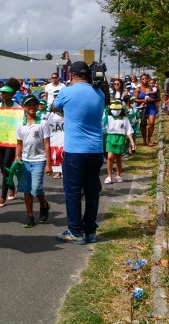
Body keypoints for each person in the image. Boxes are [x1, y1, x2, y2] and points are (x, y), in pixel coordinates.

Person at [52, 61, 105, 245]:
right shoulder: (100, 93)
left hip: (75, 150)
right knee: (92, 191)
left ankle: (75, 231)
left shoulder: (66, 91)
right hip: (96, 149)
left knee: (73, 192)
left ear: (71, 75)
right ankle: (90, 231)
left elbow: (54, 106)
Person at [14, 95, 52, 228]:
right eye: (28, 104)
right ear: (24, 107)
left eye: (34, 104)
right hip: (25, 161)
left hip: (39, 160)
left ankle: (44, 205)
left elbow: (47, 144)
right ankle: (29, 215)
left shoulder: (43, 123)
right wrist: (17, 156)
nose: (31, 107)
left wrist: (48, 163)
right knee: (26, 189)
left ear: (37, 107)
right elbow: (19, 143)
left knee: (36, 188)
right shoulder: (20, 125)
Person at [0, 77, 22, 208]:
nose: (2, 95)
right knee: (2, 168)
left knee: (5, 165)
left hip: (12, 142)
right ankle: (12, 187)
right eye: (2, 92)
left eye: (5, 93)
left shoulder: (18, 108)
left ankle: (3, 196)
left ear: (12, 94)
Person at [104, 102, 135, 184]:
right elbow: (102, 125)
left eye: (117, 109)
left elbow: (129, 131)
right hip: (110, 137)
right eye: (114, 109)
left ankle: (118, 175)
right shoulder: (108, 117)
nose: (115, 111)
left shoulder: (124, 119)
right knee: (110, 157)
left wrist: (132, 143)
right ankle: (109, 176)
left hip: (120, 138)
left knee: (118, 157)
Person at [133, 73, 160, 146]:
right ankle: (144, 140)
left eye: (146, 79)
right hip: (142, 108)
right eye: (143, 79)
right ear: (140, 80)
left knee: (151, 123)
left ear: (148, 79)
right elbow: (134, 99)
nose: (144, 80)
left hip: (151, 107)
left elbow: (159, 98)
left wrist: (152, 100)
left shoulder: (153, 88)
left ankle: (149, 139)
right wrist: (142, 101)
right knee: (143, 124)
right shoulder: (138, 89)